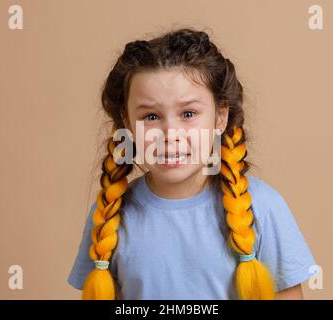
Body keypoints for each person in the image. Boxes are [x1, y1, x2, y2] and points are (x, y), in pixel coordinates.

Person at [67, 28, 317, 300]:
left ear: (220, 117)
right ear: (127, 123)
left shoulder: (262, 207)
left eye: (188, 113)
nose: (170, 134)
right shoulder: (110, 216)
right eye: (150, 116)